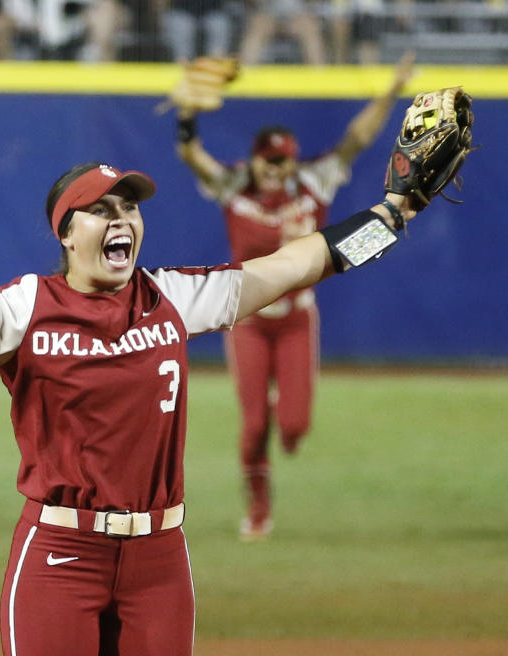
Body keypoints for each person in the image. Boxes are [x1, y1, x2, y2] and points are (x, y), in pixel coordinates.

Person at [0, 156, 423, 654]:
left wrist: (394, 212)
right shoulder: (24, 309)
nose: (122, 219)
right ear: (66, 232)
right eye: (100, 209)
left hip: (160, 560)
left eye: (130, 207)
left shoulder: (171, 297)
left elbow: (298, 264)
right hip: (61, 556)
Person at [174, 50, 416, 541]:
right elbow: (191, 155)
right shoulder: (233, 184)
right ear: (255, 159)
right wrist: (185, 116)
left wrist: (391, 91)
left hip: (296, 317)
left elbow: (357, 139)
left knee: (294, 425)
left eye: (282, 160)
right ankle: (259, 507)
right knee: (253, 422)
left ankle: (287, 433)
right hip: (245, 315)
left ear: (292, 159)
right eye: (268, 161)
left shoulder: (312, 180)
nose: (275, 170)